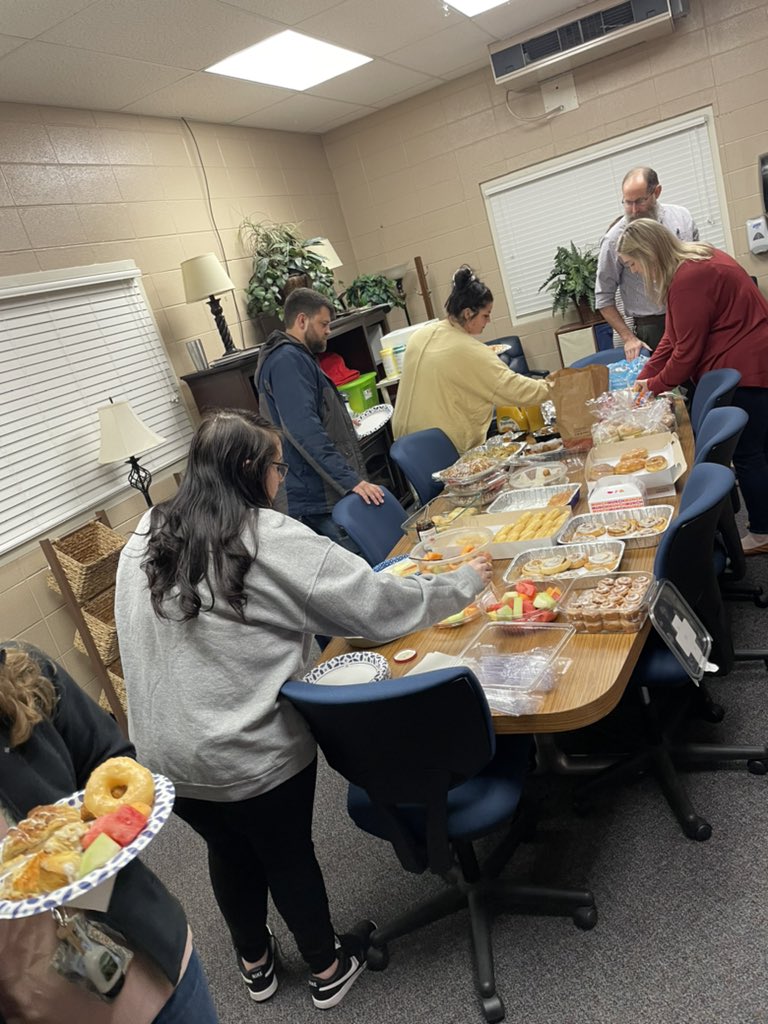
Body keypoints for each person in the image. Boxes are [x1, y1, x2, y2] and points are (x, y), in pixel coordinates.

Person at [114, 409, 493, 1010]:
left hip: (164, 755)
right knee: (286, 850)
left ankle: (255, 963)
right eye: (278, 466)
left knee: (229, 846)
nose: (281, 478)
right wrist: (463, 583)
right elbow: (372, 607)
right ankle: (326, 966)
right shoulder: (264, 536)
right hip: (245, 749)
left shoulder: (147, 529)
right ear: (249, 469)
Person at [0, 641, 218, 1024]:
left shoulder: (23, 672)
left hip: (151, 963)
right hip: (37, 1007)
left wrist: (88, 863)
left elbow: (112, 762)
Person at [618, 217, 768, 555]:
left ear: (648, 253)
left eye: (633, 265)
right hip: (751, 359)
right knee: (759, 451)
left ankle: (761, 532)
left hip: (745, 366)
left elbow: (687, 353)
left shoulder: (689, 279)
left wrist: (653, 387)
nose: (636, 273)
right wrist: (643, 382)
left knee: (749, 455)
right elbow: (672, 338)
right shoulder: (694, 261)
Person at [255, 287, 383, 550]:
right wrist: (351, 481)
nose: (328, 331)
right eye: (323, 324)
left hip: (319, 492)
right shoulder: (287, 360)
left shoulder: (296, 357)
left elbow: (311, 413)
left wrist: (342, 421)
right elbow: (302, 429)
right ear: (302, 320)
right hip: (313, 497)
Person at [392, 266, 551, 453]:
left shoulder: (421, 334)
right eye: (486, 315)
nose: (488, 321)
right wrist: (555, 386)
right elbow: (515, 389)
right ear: (468, 313)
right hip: (440, 448)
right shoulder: (467, 349)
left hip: (406, 445)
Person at [595, 167, 699, 361]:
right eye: (627, 203)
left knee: (702, 379)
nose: (633, 210)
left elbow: (697, 267)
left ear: (656, 192)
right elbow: (603, 297)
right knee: (669, 385)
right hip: (653, 326)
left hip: (693, 313)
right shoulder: (614, 239)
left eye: (640, 201)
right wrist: (628, 338)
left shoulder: (681, 218)